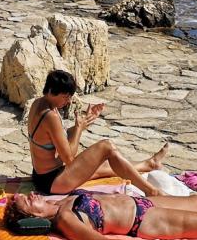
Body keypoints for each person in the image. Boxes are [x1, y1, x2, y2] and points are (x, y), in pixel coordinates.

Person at [26, 70, 169, 195]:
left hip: (41, 176)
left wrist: (83, 123)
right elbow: (69, 159)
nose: (68, 101)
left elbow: (58, 136)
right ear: (52, 90)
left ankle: (149, 164)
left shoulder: (38, 104)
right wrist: (79, 129)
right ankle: (151, 191)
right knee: (107, 147)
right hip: (52, 182)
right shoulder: (50, 116)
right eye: (65, 96)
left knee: (104, 166)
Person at [4, 189, 197, 240]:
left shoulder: (59, 203)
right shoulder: (66, 220)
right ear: (34, 217)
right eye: (30, 201)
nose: (33, 195)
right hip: (144, 222)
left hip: (141, 203)